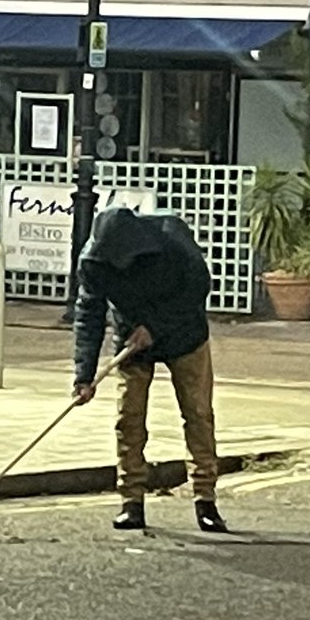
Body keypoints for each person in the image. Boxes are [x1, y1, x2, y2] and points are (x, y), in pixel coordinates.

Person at [72, 206, 228, 534]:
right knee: (128, 418)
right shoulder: (93, 261)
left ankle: (205, 498)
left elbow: (196, 291)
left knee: (198, 413)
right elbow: (89, 312)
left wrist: (155, 327)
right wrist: (84, 375)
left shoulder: (172, 242)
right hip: (132, 339)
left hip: (185, 335)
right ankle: (131, 501)